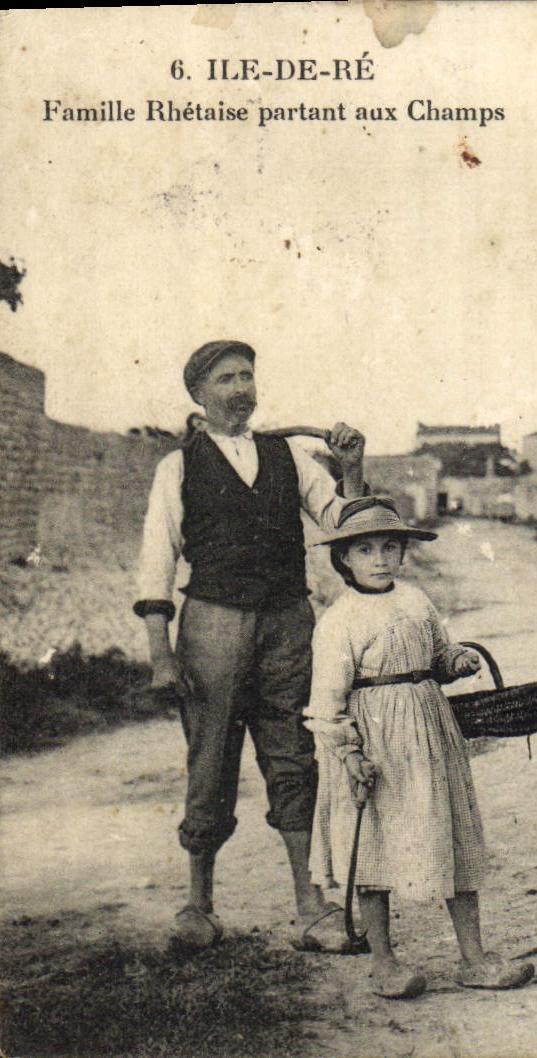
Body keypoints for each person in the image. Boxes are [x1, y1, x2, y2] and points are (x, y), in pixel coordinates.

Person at [134, 339, 367, 952]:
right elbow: (156, 561)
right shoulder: (177, 466)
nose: (240, 388)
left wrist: (352, 468)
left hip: (290, 623)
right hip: (212, 624)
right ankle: (198, 905)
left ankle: (311, 906)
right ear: (199, 395)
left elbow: (345, 521)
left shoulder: (289, 455)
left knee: (295, 757)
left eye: (247, 375)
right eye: (225, 379)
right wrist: (161, 654)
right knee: (210, 760)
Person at [304, 497, 535, 998]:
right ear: (344, 558)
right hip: (376, 739)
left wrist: (457, 661)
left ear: (405, 552)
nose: (381, 558)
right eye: (366, 550)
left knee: (449, 831)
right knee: (374, 844)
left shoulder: (416, 601)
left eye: (391, 547)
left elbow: (438, 656)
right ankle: (384, 962)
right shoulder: (339, 620)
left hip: (430, 732)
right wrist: (349, 754)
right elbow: (326, 702)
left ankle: (473, 957)